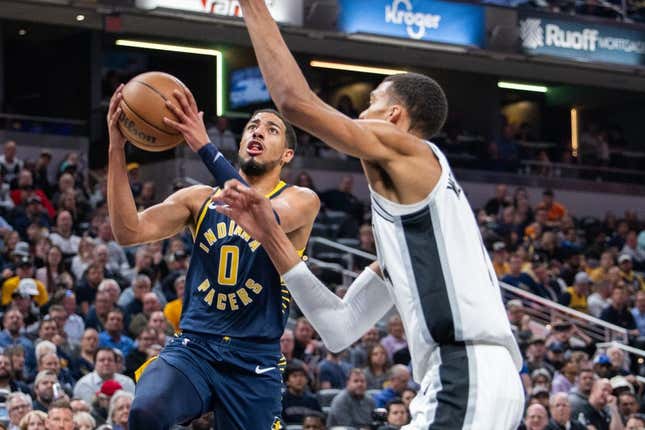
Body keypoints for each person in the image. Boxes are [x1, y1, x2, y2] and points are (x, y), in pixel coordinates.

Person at [224, 3, 526, 428]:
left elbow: (293, 101)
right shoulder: (416, 238)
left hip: (466, 372)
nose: (359, 118)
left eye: (369, 105)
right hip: (474, 378)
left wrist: (253, 6)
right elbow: (339, 328)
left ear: (393, 116)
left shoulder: (407, 147)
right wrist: (269, 234)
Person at [106, 80, 319, 430]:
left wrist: (203, 145)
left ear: (287, 155)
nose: (258, 131)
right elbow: (128, 231)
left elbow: (258, 214)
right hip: (195, 347)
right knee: (146, 412)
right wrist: (117, 149)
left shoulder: (301, 199)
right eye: (252, 126)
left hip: (254, 358)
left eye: (271, 129)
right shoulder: (199, 198)